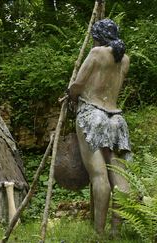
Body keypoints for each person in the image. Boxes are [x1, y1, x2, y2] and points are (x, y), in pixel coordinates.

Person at [68, 19, 130, 235]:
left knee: (99, 175)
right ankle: (116, 231)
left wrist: (70, 95)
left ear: (98, 36)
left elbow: (77, 84)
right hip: (117, 119)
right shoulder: (125, 59)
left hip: (92, 114)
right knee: (121, 178)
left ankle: (99, 233)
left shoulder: (96, 53)